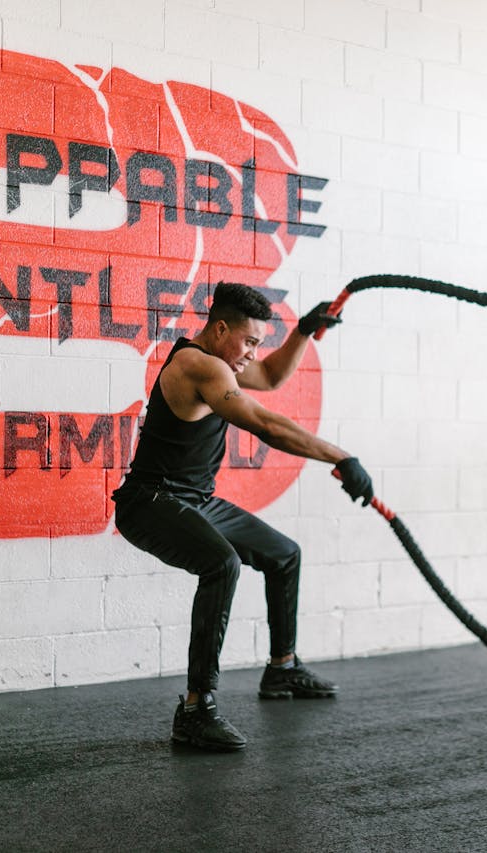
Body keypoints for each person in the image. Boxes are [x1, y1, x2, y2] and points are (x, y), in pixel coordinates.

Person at [111, 282, 373, 752]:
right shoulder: (198, 365)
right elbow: (267, 424)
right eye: (249, 341)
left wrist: (304, 333)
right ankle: (195, 709)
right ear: (221, 328)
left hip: (194, 500)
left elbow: (271, 377)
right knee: (221, 563)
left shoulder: (223, 365)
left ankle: (282, 669)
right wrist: (342, 456)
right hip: (150, 502)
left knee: (283, 554)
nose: (253, 352)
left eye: (258, 343)